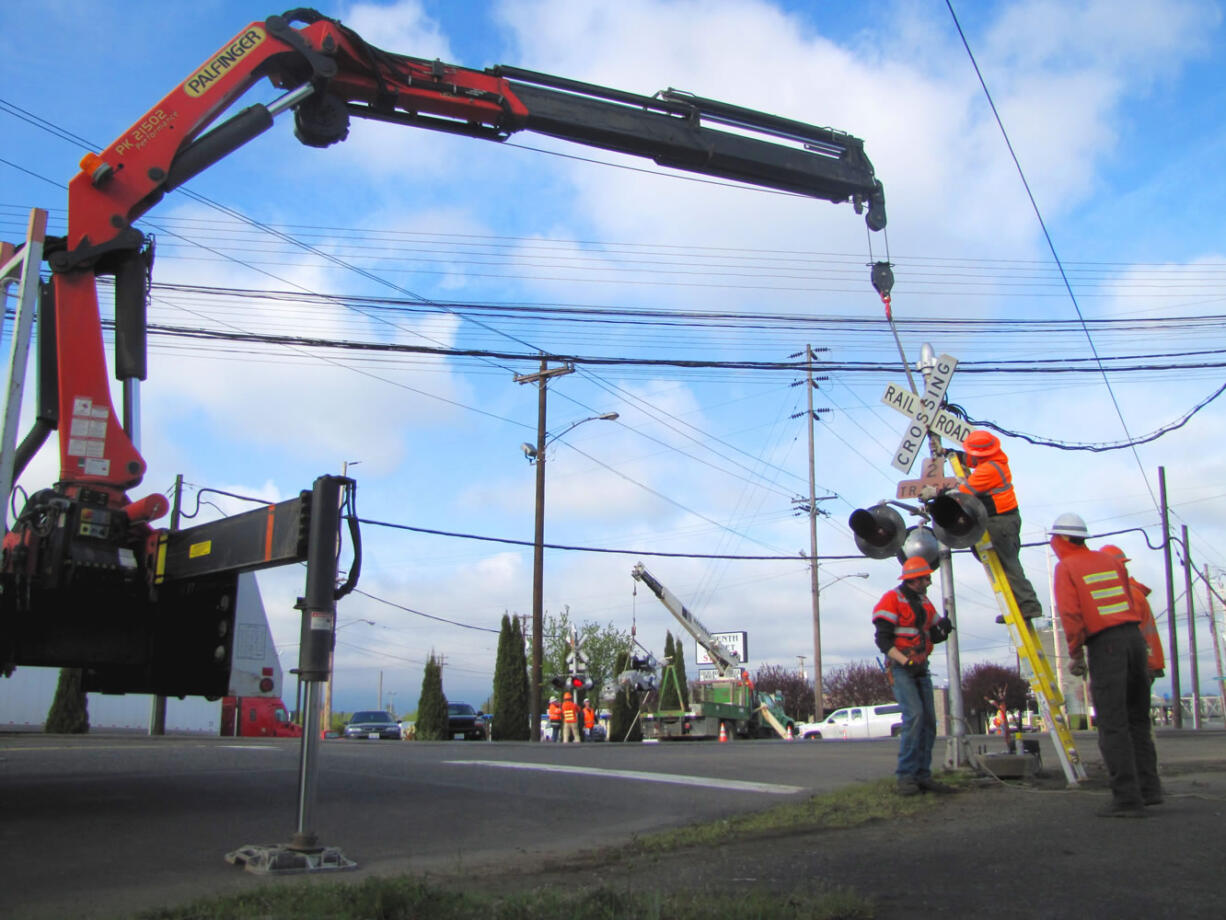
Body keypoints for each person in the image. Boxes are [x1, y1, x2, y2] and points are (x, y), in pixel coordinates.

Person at [1049, 513, 1161, 817]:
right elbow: (1128, 599)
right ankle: (1150, 791)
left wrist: (1076, 654)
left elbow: (1071, 616)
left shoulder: (1066, 567)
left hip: (1106, 646)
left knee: (1113, 724)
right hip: (1134, 641)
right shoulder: (1109, 561)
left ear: (1060, 540)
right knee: (1137, 720)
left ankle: (1127, 800)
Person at [873, 555, 954, 796]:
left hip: (919, 668)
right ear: (914, 580)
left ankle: (922, 775)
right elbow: (883, 640)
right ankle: (906, 776)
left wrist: (943, 628)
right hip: (902, 669)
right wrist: (904, 660)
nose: (929, 582)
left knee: (928, 721)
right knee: (915, 716)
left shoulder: (924, 602)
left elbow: (933, 633)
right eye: (926, 578)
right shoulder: (892, 599)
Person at [957, 430, 1044, 623]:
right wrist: (954, 454)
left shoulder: (988, 470)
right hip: (1006, 520)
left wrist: (938, 491)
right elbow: (973, 460)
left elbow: (964, 492)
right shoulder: (995, 459)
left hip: (1001, 522)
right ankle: (1017, 606)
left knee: (1008, 565)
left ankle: (1028, 606)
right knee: (1006, 564)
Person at [1101, 544, 1165, 685]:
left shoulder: (1128, 594)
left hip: (1138, 664)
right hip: (1141, 663)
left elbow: (1126, 633)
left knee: (1128, 705)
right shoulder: (1129, 592)